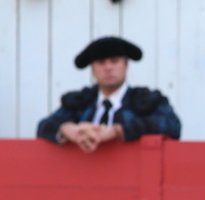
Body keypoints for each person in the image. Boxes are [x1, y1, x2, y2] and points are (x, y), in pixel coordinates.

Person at [37, 36, 181, 151]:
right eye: (101, 62)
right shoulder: (81, 101)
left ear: (125, 65)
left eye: (114, 61)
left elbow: (172, 125)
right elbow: (44, 126)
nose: (108, 68)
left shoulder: (146, 100)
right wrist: (68, 130)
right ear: (93, 68)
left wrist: (117, 131)